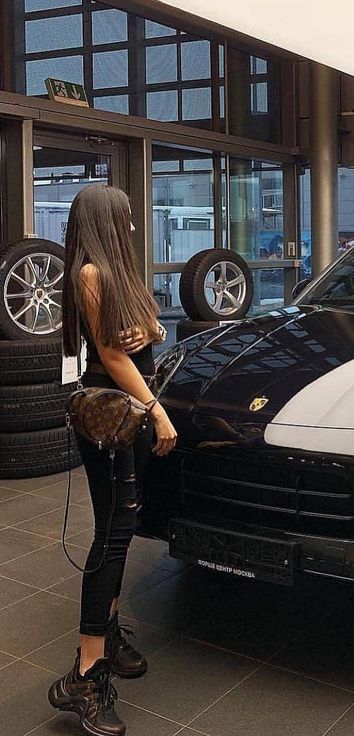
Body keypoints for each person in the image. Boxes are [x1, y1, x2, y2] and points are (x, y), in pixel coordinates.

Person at [50, 184, 177, 736]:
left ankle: (109, 628)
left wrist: (145, 333)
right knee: (111, 537)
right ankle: (84, 673)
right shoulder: (90, 274)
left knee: (120, 529)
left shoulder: (114, 273)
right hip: (116, 418)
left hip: (129, 415)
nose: (130, 226)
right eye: (124, 218)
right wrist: (157, 411)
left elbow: (149, 333)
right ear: (105, 220)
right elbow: (110, 355)